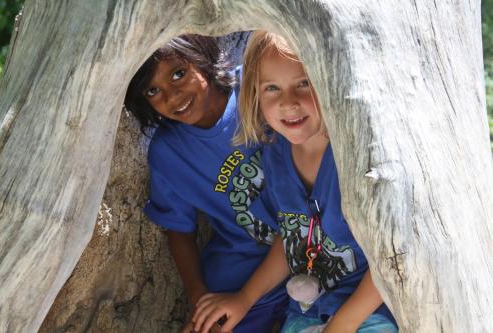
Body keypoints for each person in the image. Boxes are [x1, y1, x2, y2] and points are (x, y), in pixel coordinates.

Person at [192, 31, 398, 333]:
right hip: (305, 313)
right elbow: (292, 237)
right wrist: (244, 299)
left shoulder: (357, 156)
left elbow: (393, 258)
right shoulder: (275, 155)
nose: (289, 103)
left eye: (304, 83)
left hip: (367, 314)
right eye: (272, 88)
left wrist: (340, 326)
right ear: (255, 97)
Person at [124, 34, 288, 333]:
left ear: (201, 56)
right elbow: (178, 229)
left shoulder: (255, 87)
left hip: (313, 249)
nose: (172, 96)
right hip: (240, 271)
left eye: (178, 73)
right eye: (152, 90)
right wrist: (198, 296)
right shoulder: (168, 153)